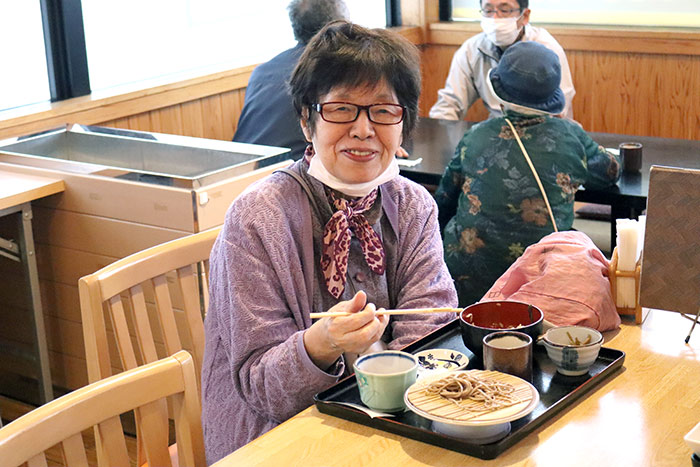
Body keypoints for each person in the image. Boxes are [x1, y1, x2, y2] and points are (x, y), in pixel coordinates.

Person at [202, 20, 458, 463]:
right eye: (341, 109)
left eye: (382, 110)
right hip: (275, 438)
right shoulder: (258, 218)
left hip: (391, 425)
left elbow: (431, 328)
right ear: (306, 120)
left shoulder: (414, 205)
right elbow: (260, 385)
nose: (363, 129)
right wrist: (319, 344)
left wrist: (390, 395)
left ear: (403, 124)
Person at [434, 41, 621, 307]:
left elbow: (443, 201)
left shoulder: (475, 136)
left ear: (498, 90)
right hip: (540, 282)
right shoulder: (570, 137)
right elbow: (609, 172)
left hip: (467, 283)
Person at [232, 0, 348, 159]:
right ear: (339, 23)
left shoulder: (261, 72)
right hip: (292, 171)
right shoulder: (336, 70)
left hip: (240, 169)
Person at [429, 0, 576, 121]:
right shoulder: (471, 50)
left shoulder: (546, 50)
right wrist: (439, 131)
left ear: (525, 15)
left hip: (544, 130)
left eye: (505, 10)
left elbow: (559, 109)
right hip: (498, 131)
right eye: (488, 10)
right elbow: (450, 104)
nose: (495, 18)